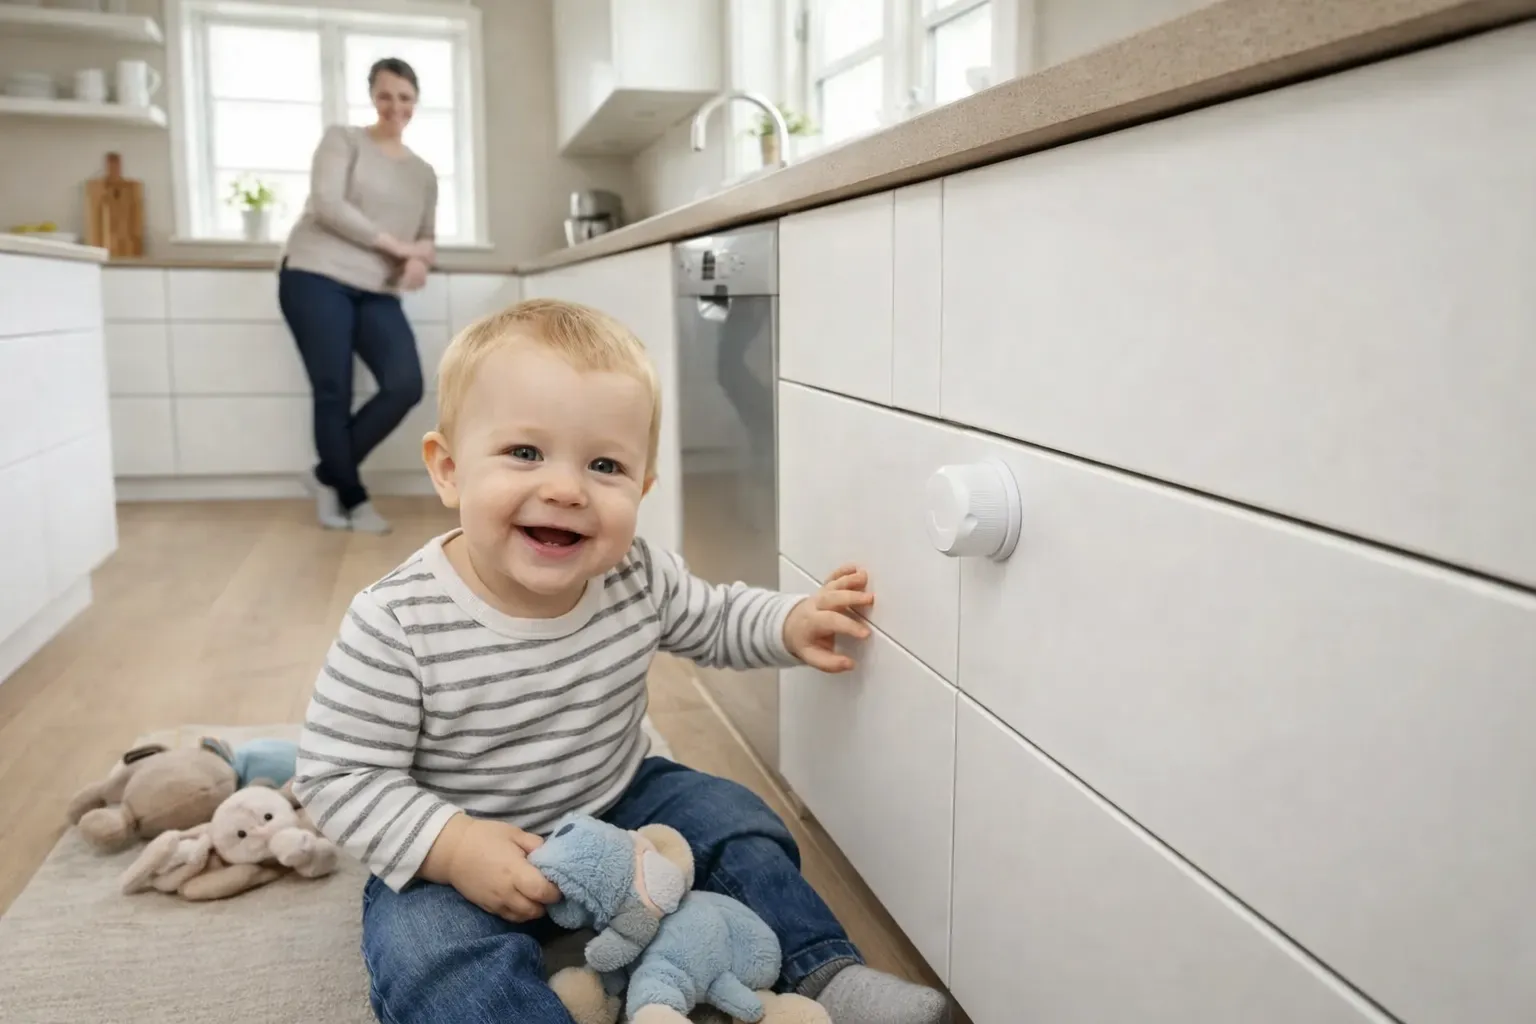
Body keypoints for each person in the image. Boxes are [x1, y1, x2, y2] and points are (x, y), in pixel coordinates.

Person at [292, 299, 952, 1024]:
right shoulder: (398, 620)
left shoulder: (635, 573)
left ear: (640, 488)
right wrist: (449, 847)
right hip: (460, 841)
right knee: (426, 952)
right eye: (524, 453)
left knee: (733, 817)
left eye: (604, 465)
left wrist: (790, 620)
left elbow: (716, 618)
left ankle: (823, 975)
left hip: (621, 804)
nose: (567, 489)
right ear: (449, 471)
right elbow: (336, 774)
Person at [278, 56, 437, 535]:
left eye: (405, 98)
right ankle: (353, 496)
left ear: (415, 103)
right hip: (315, 274)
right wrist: (397, 247)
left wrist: (418, 258)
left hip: (376, 289)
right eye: (386, 95)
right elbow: (328, 206)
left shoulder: (424, 173)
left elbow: (427, 235)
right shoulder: (343, 139)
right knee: (334, 391)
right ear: (373, 96)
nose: (395, 106)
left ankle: (326, 474)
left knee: (405, 384)